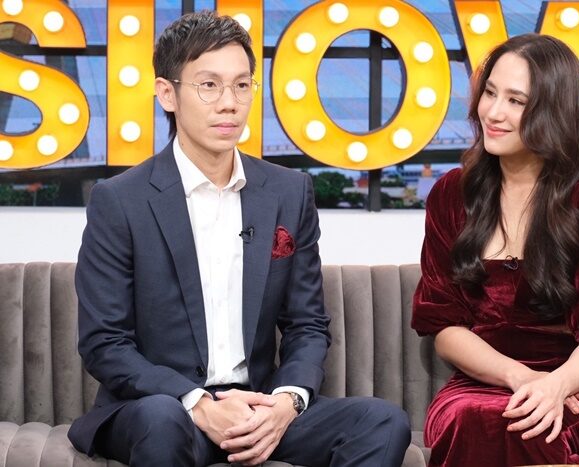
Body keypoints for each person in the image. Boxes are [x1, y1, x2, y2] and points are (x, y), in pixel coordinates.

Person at [68, 10, 410, 467]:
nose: (229, 103)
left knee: (383, 421)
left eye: (242, 85)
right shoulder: (120, 200)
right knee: (161, 419)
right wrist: (198, 403)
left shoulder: (289, 192)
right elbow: (105, 342)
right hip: (164, 406)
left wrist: (286, 403)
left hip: (257, 406)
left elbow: (307, 324)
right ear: (167, 93)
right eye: (209, 85)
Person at [411, 33, 579, 466]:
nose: (493, 112)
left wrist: (554, 385)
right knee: (478, 418)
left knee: (519, 424)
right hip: (477, 385)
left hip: (578, 387)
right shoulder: (451, 194)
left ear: (554, 111)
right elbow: (444, 329)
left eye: (516, 101)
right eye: (489, 93)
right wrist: (520, 377)